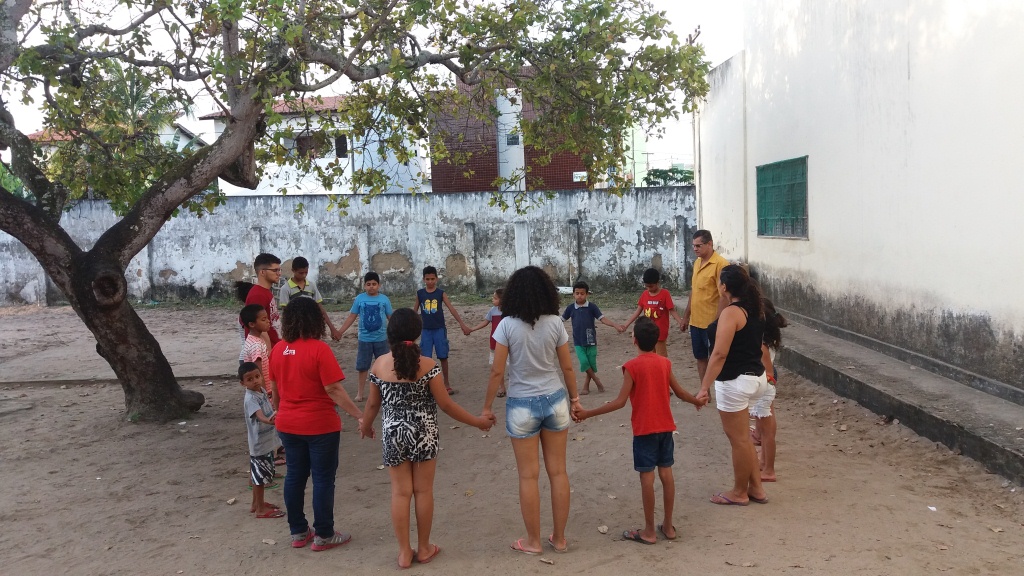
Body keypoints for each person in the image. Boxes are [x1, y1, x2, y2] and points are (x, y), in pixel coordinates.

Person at [359, 308, 496, 569]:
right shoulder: (429, 366)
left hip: (393, 434)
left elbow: (372, 406)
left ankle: (402, 552)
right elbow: (446, 406)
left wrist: (365, 426)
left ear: (389, 335)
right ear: (418, 333)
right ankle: (424, 548)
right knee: (423, 491)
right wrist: (477, 422)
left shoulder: (378, 365)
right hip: (424, 433)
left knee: (400, 493)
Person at [573, 318, 705, 544]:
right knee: (667, 474)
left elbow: (619, 402)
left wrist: (587, 413)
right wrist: (697, 400)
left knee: (647, 477)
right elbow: (681, 392)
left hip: (644, 430)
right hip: (666, 427)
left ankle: (649, 531)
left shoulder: (632, 367)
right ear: (656, 341)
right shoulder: (665, 363)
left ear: (634, 340)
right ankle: (669, 526)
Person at [481, 266, 581, 555]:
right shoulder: (555, 323)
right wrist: (575, 399)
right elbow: (566, 367)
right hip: (555, 399)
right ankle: (559, 539)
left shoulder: (506, 326)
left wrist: (486, 407)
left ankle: (533, 541)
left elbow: (497, 371)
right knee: (558, 472)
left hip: (521, 403)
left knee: (528, 476)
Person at [267, 297, 365, 551]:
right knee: (322, 479)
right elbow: (333, 388)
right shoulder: (319, 349)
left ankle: (299, 532)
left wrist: (279, 410)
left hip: (288, 423)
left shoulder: (278, 349)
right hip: (319, 425)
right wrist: (359, 415)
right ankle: (324, 533)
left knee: (294, 477)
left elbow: (275, 388)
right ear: (315, 320)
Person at [695, 265, 770, 506]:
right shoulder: (755, 308)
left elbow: (718, 354)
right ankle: (756, 487)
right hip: (755, 378)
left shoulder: (732, 313)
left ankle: (739, 492)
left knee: (738, 440)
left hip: (735, 381)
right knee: (743, 438)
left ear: (724, 287)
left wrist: (704, 386)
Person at [414, 266, 471, 395]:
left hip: (439, 329)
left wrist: (462, 324)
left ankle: (446, 384)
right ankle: (426, 383)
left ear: (437, 279)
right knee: (425, 358)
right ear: (423, 279)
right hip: (425, 330)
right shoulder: (420, 294)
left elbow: (451, 309)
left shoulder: (440, 293)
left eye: (432, 279)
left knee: (443, 357)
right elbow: (414, 312)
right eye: (427, 279)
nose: (430, 281)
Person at [337, 272, 394, 402]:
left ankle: (386, 391)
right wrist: (340, 331)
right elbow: (352, 316)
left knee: (384, 366)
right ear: (364, 286)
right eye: (368, 284)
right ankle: (360, 392)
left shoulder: (384, 299)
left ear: (379, 285)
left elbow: (391, 317)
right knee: (363, 366)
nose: (371, 287)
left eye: (374, 284)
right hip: (365, 340)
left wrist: (397, 333)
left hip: (382, 339)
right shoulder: (359, 299)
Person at [681, 230, 729, 382]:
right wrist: (686, 316)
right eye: (693, 246)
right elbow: (693, 292)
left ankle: (722, 390)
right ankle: (705, 392)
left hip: (711, 322)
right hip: (696, 322)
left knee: (717, 357)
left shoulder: (721, 264)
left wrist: (717, 322)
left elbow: (724, 296)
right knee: (700, 357)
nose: (695, 249)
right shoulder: (696, 263)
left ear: (710, 244)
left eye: (698, 245)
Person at [560, 280, 624, 395]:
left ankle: (586, 386)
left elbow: (602, 319)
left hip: (591, 340)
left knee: (591, 363)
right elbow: (561, 320)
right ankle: (597, 380)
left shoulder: (592, 307)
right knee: (584, 362)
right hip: (578, 341)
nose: (579, 296)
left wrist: (615, 325)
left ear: (587, 294)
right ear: (573, 294)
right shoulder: (570, 308)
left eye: (582, 293)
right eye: (577, 293)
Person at [239, 361, 284, 519]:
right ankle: (260, 509)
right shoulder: (250, 398)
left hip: (265, 442)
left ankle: (256, 504)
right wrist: (269, 420)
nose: (255, 380)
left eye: (257, 376)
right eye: (250, 379)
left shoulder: (261, 391)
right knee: (259, 478)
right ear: (242, 383)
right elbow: (258, 415)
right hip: (259, 445)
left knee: (260, 475)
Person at [750, 298, 788, 483]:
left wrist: (762, 391)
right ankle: (764, 462)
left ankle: (769, 468)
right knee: (765, 430)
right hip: (764, 385)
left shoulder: (762, 344)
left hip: (764, 386)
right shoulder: (768, 340)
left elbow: (769, 373)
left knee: (767, 431)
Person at [622, 268, 685, 357]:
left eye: (651, 286)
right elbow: (637, 311)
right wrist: (626, 324)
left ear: (657, 283)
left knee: (661, 356)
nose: (649, 289)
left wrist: (681, 322)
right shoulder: (644, 295)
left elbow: (672, 310)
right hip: (647, 332)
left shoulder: (665, 294)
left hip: (660, 333)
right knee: (649, 356)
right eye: (647, 286)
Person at [278, 256, 342, 341]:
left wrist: (332, 328)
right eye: (301, 273)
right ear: (293, 271)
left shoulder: (311, 286)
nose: (304, 275)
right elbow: (286, 313)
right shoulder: (285, 288)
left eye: (306, 272)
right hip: (295, 328)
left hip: (312, 326)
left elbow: (320, 309)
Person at [467, 288, 506, 397]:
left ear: (502, 300)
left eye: (495, 298)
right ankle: (501, 387)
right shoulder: (493, 310)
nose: (492, 300)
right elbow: (485, 322)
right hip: (494, 341)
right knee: (497, 365)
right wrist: (472, 329)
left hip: (507, 342)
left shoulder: (509, 311)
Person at [245, 253, 283, 347]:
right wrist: (269, 353)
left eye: (279, 270)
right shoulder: (257, 295)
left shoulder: (265, 291)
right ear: (262, 272)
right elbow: (258, 329)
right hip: (265, 351)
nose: (279, 273)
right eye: (275, 270)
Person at [239, 304, 272, 382]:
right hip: (263, 389)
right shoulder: (256, 345)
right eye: (264, 319)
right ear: (252, 324)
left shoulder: (253, 338)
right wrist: (264, 393)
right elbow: (258, 373)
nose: (268, 321)